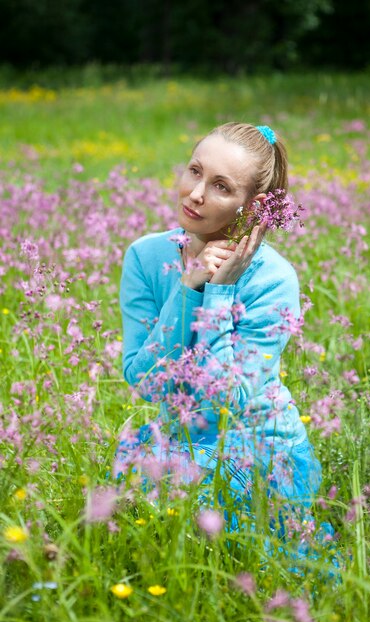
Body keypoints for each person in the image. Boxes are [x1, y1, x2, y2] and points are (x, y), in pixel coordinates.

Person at [117, 122, 324, 541]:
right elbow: (143, 380)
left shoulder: (274, 279)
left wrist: (220, 290)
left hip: (259, 450)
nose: (196, 193)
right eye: (195, 171)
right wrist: (188, 287)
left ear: (253, 206)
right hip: (179, 442)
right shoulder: (146, 256)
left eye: (221, 187)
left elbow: (230, 398)